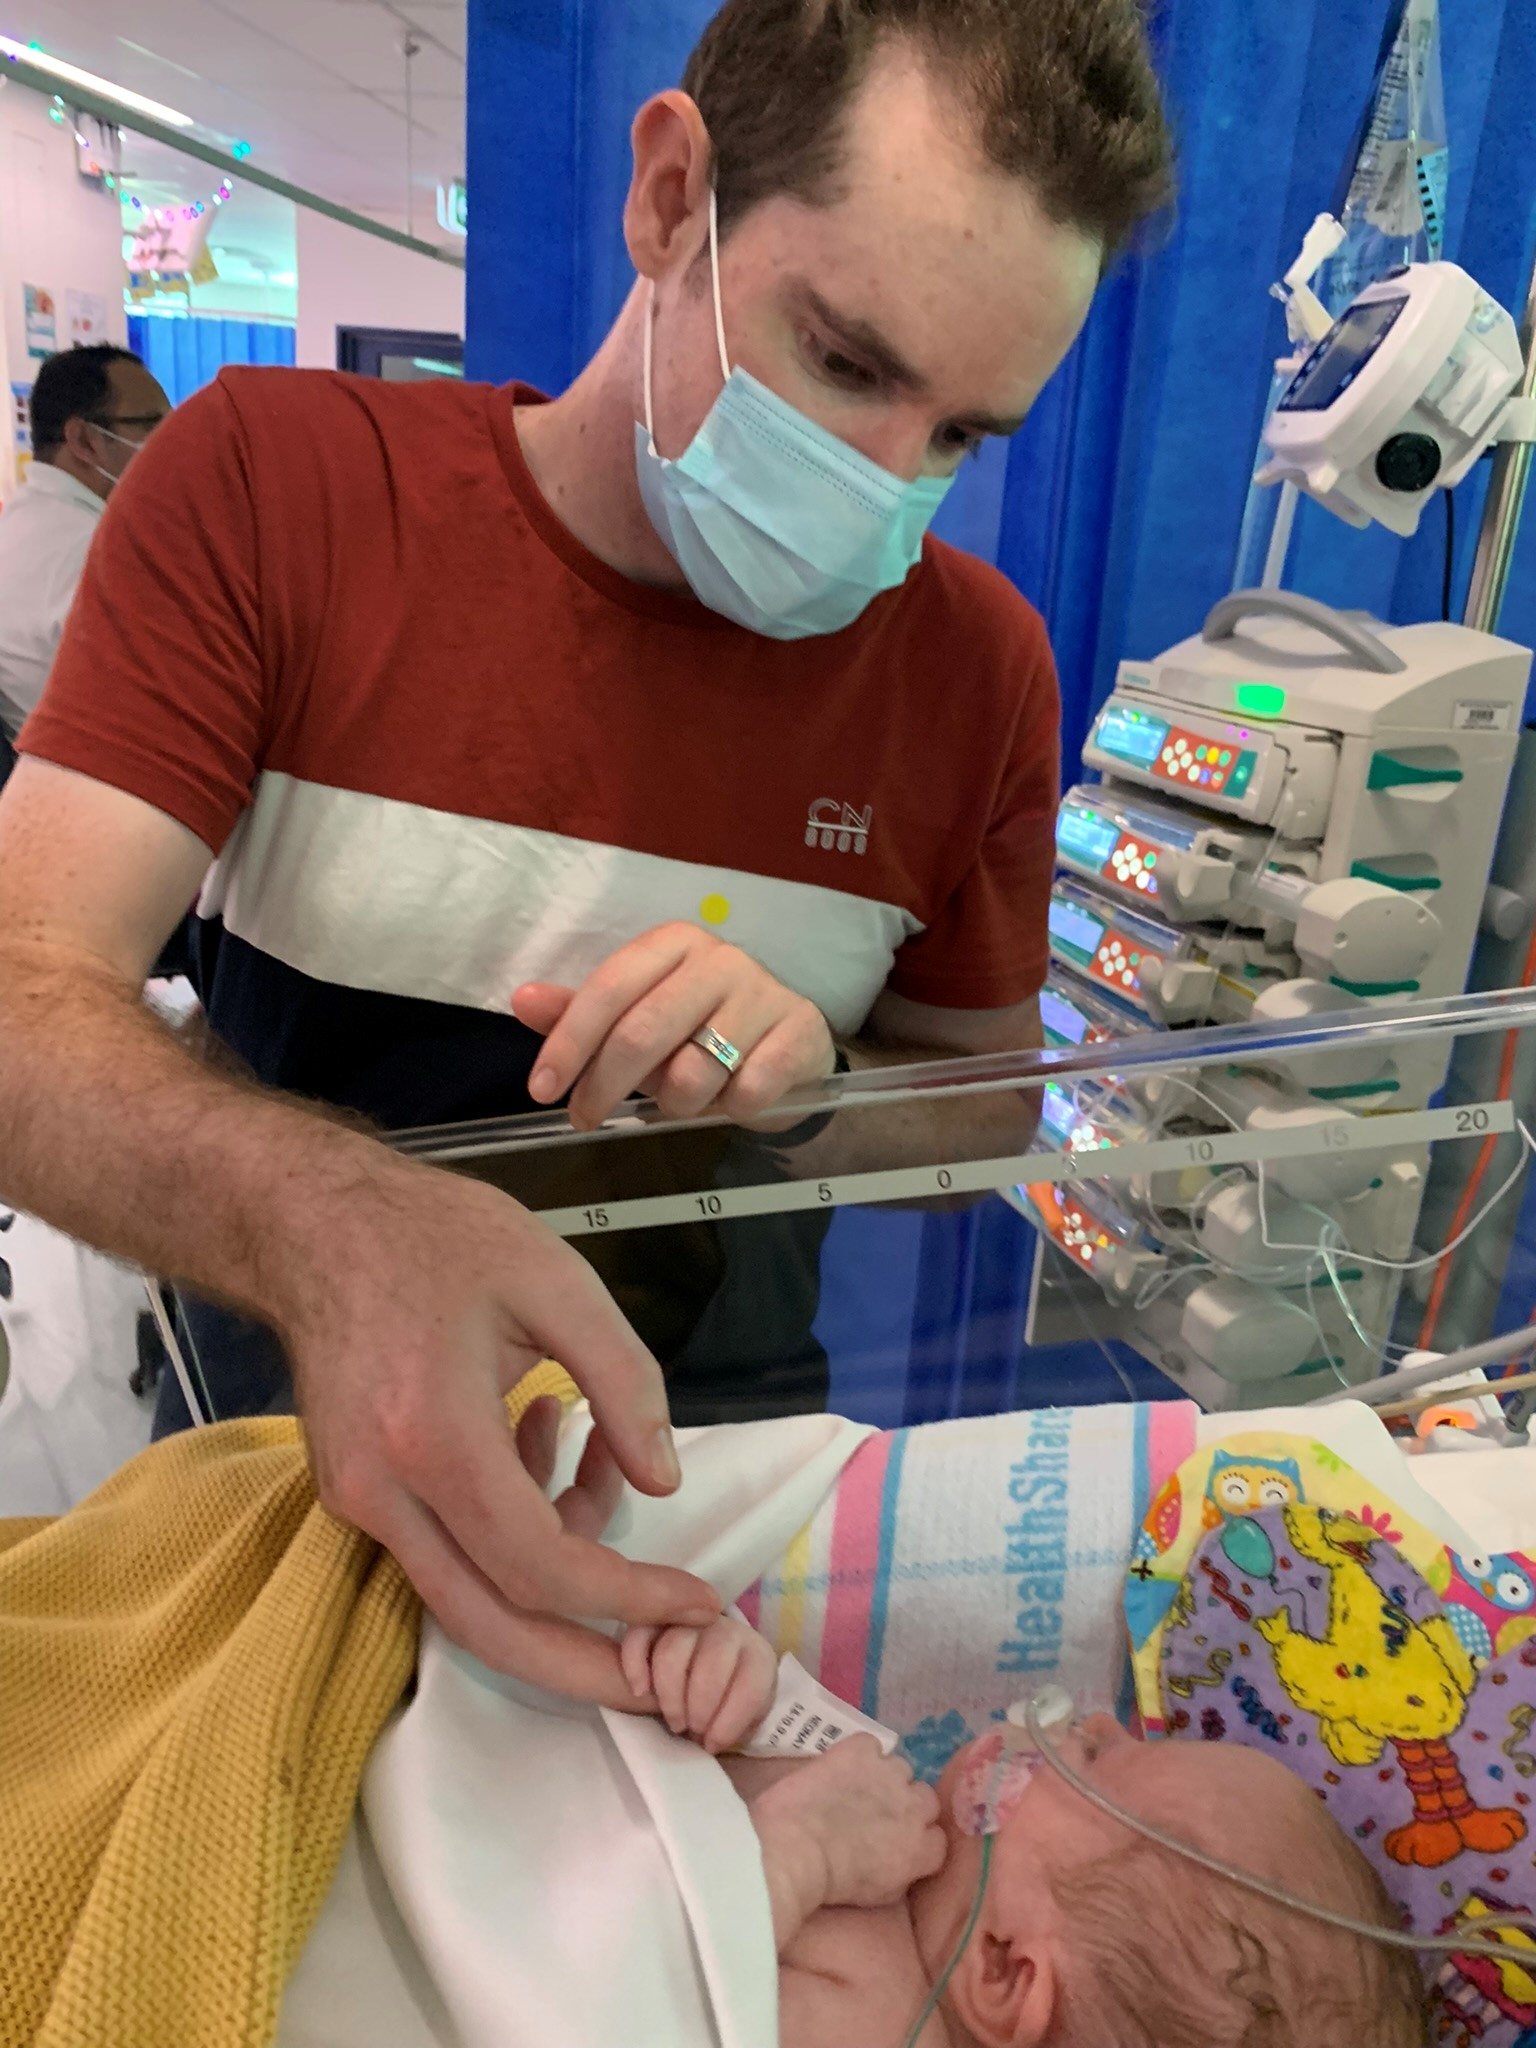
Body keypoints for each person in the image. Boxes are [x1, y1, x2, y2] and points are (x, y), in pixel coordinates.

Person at [0, 0, 1173, 1690]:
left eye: (964, 436)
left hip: (719, 1460)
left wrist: (810, 1081)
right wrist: (347, 1228)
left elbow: (983, 1100)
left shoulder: (974, 667)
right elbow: (27, 993)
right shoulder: (277, 491)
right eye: (844, 362)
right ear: (671, 198)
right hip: (290, 1437)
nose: (885, 485)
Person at [619, 1613, 1426, 2048]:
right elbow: (738, 1731)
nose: (1104, 1722)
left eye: (1099, 1766)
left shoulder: (873, 2022)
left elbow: (606, 2012)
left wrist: (794, 1860)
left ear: (1003, 1969)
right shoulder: (895, 1816)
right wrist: (722, 1667)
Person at [0, 345, 169, 761]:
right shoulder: (91, 553)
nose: (170, 442)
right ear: (84, 440)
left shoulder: (22, 525)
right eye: (150, 424)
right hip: (109, 786)